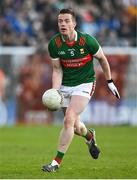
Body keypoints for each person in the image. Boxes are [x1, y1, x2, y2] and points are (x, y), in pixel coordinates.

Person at [42, 8, 120, 172]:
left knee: (69, 119)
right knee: (76, 127)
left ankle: (55, 163)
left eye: (67, 21)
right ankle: (90, 137)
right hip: (65, 85)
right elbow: (57, 70)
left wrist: (110, 81)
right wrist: (55, 91)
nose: (63, 24)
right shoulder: (54, 44)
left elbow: (103, 59)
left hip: (84, 84)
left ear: (74, 23)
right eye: (60, 21)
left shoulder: (87, 41)